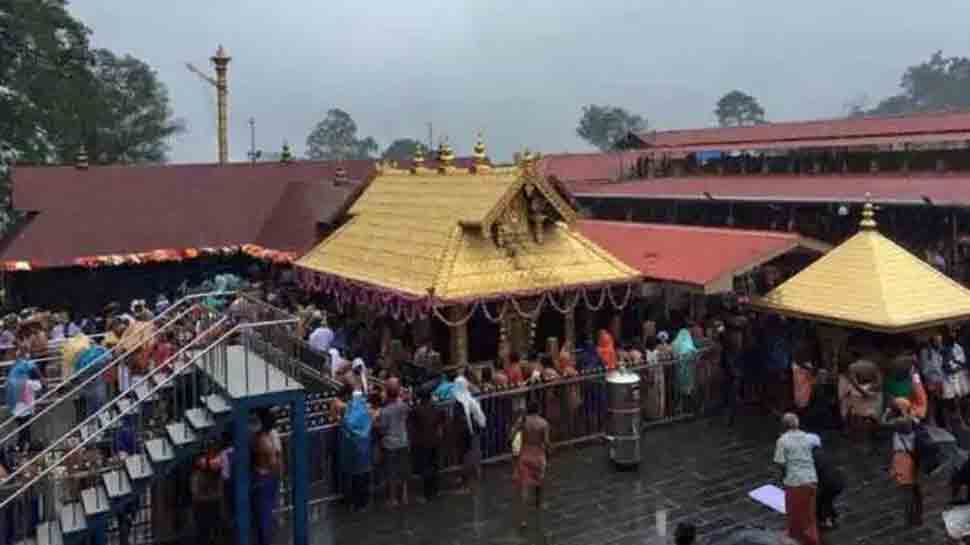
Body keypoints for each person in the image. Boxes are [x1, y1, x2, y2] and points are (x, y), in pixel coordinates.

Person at [773, 413, 820, 545]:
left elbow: (780, 462)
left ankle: (795, 539)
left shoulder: (782, 440)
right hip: (811, 479)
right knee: (809, 515)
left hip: (795, 482)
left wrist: (783, 474)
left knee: (794, 513)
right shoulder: (807, 437)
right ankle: (812, 540)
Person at [882, 397, 922, 528]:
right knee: (915, 488)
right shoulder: (913, 417)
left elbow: (883, 423)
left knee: (906, 490)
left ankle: (910, 519)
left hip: (904, 458)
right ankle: (918, 516)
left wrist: (886, 412)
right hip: (914, 455)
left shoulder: (901, 422)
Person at [511, 400, 550, 529]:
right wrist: (550, 452)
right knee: (539, 482)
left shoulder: (522, 421)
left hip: (525, 455)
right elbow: (546, 442)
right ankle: (538, 504)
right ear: (538, 410)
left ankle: (523, 519)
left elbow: (511, 436)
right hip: (538, 456)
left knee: (525, 488)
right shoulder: (544, 423)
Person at [377, 377, 410, 507]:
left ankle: (393, 498)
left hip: (390, 444)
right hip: (403, 441)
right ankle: (405, 496)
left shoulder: (385, 411)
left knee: (391, 472)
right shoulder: (403, 406)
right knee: (403, 470)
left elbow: (383, 428)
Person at [838, 359, 883, 452]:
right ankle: (871, 438)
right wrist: (872, 390)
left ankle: (860, 440)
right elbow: (879, 381)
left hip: (860, 395)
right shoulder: (872, 365)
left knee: (858, 418)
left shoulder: (852, 367)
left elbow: (854, 382)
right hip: (871, 394)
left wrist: (863, 392)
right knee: (871, 418)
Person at [251, 411, 282, 545]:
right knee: (265, 513)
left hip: (262, 476)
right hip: (266, 477)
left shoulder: (258, 438)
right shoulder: (265, 440)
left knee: (264, 512)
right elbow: (273, 462)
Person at [340, 386, 372, 512]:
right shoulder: (364, 410)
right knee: (364, 476)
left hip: (353, 449)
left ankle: (356, 503)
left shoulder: (351, 411)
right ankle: (363, 503)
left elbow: (348, 424)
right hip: (364, 448)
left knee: (355, 478)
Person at [410, 388, 444, 502]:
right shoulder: (436, 408)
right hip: (435, 441)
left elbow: (413, 427)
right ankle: (436, 490)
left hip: (423, 443)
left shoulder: (416, 410)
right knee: (434, 466)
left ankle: (427, 494)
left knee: (426, 468)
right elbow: (441, 421)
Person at [453, 376, 486, 494]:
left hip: (467, 433)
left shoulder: (463, 401)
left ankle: (468, 485)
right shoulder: (469, 399)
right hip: (470, 433)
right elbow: (480, 417)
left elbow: (472, 417)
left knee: (467, 458)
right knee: (472, 456)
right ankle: (472, 480)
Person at [6, 353, 42, 451]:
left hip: (16, 410)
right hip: (26, 410)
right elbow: (39, 386)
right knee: (25, 429)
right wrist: (36, 376)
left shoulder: (13, 381)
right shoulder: (28, 382)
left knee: (22, 429)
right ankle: (24, 446)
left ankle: (21, 446)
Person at [191, 444, 224, 545]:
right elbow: (196, 494)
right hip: (204, 505)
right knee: (203, 532)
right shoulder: (197, 476)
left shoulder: (214, 472)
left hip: (210, 504)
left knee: (213, 530)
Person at [813, 444, 845, 530]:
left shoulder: (812, 457)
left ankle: (825, 521)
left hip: (829, 484)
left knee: (820, 501)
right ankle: (832, 516)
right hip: (838, 482)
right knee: (826, 500)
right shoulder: (822, 453)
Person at [942, 329, 969, 426]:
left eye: (954, 333)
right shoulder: (944, 349)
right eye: (951, 333)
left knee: (964, 399)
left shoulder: (959, 347)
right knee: (954, 401)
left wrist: (956, 362)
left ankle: (965, 418)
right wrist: (955, 364)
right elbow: (945, 366)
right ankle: (959, 421)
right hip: (950, 378)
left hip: (961, 376)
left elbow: (963, 362)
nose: (953, 335)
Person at [919, 334, 946, 427]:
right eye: (937, 341)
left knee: (939, 402)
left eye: (940, 341)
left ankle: (940, 422)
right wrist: (932, 379)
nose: (939, 343)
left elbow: (940, 365)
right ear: (932, 341)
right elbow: (924, 369)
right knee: (931, 401)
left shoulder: (938, 351)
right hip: (932, 380)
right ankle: (931, 421)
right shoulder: (925, 352)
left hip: (940, 380)